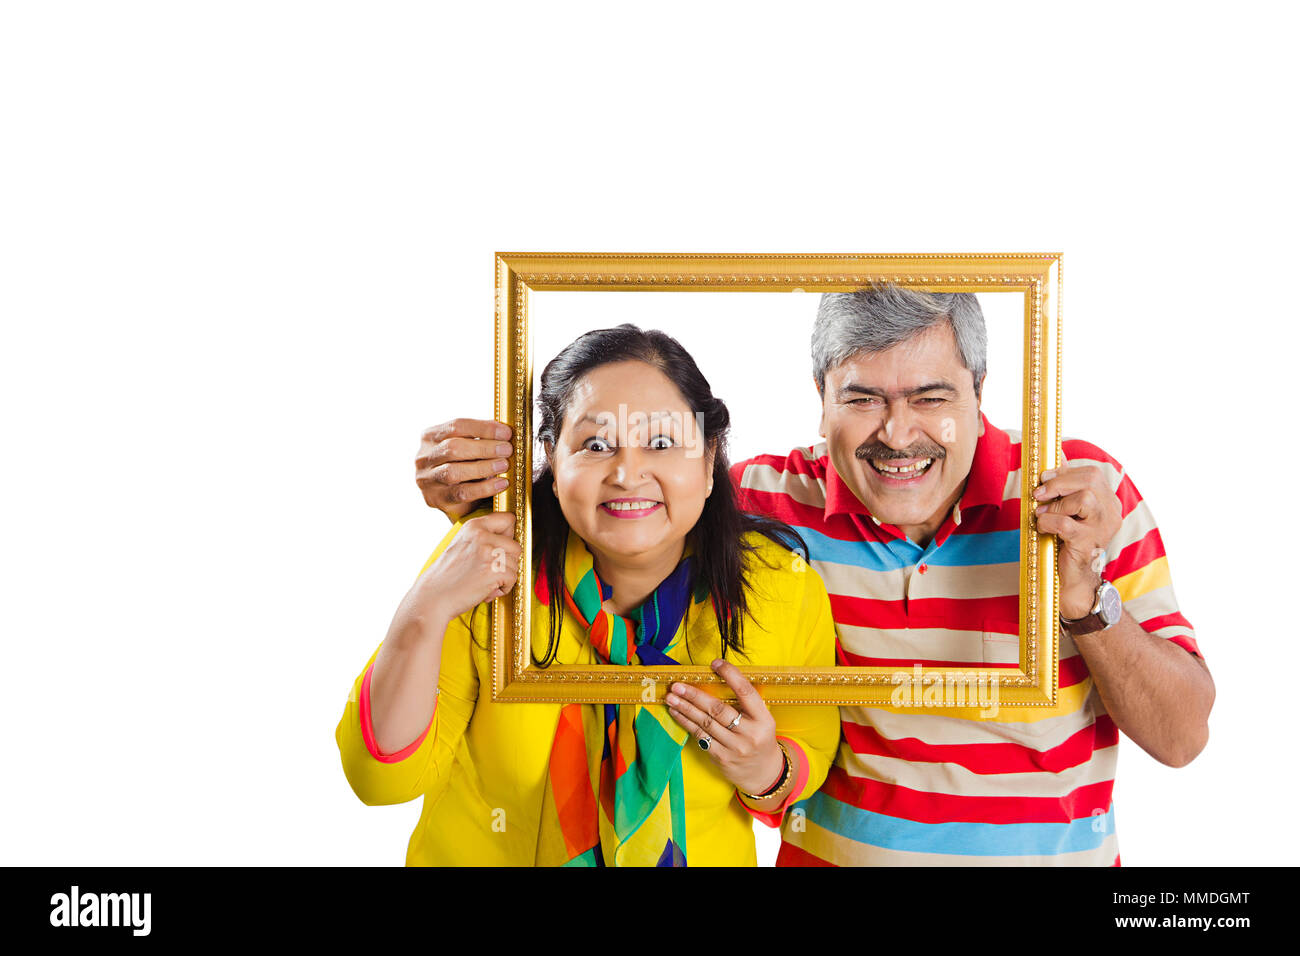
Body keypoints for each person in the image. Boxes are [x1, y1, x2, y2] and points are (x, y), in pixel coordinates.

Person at [417, 285, 1214, 866]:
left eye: (930, 397)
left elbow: (1182, 738)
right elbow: (621, 497)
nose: (897, 434)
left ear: (981, 393)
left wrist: (1085, 599)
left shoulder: (1078, 496)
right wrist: (486, 483)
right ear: (820, 398)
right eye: (862, 398)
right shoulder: (763, 505)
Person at [337, 324, 840, 866]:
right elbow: (380, 780)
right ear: (553, 461)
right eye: (596, 444)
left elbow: (804, 759)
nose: (627, 474)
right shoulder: (491, 561)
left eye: (663, 442)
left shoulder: (780, 585)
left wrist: (764, 769)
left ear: (710, 455)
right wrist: (426, 606)